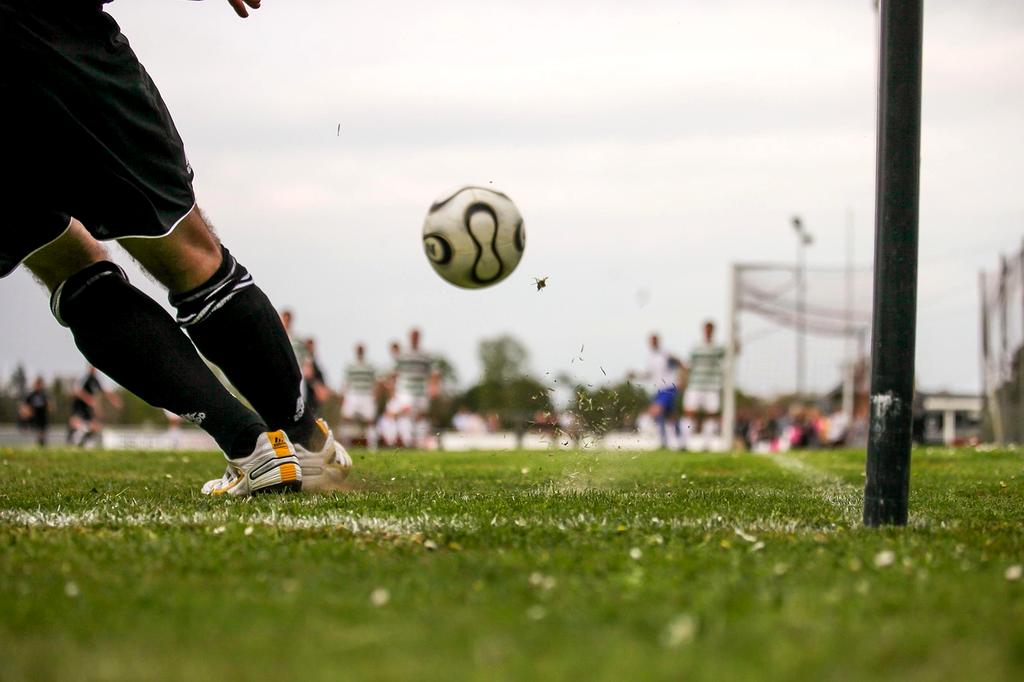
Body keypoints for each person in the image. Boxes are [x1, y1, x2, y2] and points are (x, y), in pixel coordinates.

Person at [1, 0, 350, 494]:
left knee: (66, 265)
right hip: (52, 33)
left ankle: (251, 447)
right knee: (189, 254)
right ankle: (302, 441)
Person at [682, 321, 726, 448]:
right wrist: (683, 379)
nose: (708, 331)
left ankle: (707, 444)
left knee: (711, 414)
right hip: (695, 385)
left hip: (712, 386)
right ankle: (684, 442)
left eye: (710, 329)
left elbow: (731, 355)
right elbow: (689, 365)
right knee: (689, 412)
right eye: (706, 329)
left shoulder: (719, 348)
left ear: (713, 331)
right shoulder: (696, 348)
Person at [636, 333, 682, 450]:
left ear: (659, 341)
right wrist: (636, 375)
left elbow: (679, 363)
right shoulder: (650, 357)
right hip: (659, 389)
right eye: (652, 341)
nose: (653, 343)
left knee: (656, 411)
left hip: (669, 387)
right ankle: (672, 441)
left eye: (655, 340)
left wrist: (682, 377)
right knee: (670, 415)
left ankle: (669, 441)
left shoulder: (665, 353)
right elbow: (649, 374)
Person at [392, 328, 436, 448]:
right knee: (406, 411)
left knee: (421, 415)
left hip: (421, 390)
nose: (414, 338)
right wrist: (394, 389)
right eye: (412, 336)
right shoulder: (403, 354)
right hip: (406, 389)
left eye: (416, 336)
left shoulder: (425, 355)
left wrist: (433, 386)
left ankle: (420, 441)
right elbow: (396, 372)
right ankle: (407, 441)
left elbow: (431, 372)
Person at [66, 366, 122, 448]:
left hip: (89, 408)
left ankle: (85, 444)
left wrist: (113, 400)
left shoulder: (96, 380)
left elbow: (104, 392)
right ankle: (73, 443)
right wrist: (88, 399)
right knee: (75, 424)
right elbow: (76, 391)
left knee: (95, 426)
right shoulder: (84, 377)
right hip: (79, 406)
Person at [339, 343, 377, 447]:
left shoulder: (370, 365)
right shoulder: (350, 365)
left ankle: (372, 445)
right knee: (346, 418)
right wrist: (343, 395)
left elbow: (374, 382)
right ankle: (345, 444)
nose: (360, 351)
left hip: (366, 394)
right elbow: (346, 381)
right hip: (353, 394)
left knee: (370, 420)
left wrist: (374, 396)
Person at [21, 377, 51, 447]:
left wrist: (49, 406)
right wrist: (27, 413)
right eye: (37, 384)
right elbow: (24, 406)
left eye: (40, 384)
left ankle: (41, 444)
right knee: (36, 433)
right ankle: (25, 428)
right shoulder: (31, 395)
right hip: (33, 417)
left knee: (42, 434)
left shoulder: (44, 395)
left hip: (42, 417)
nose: (38, 386)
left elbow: (50, 407)